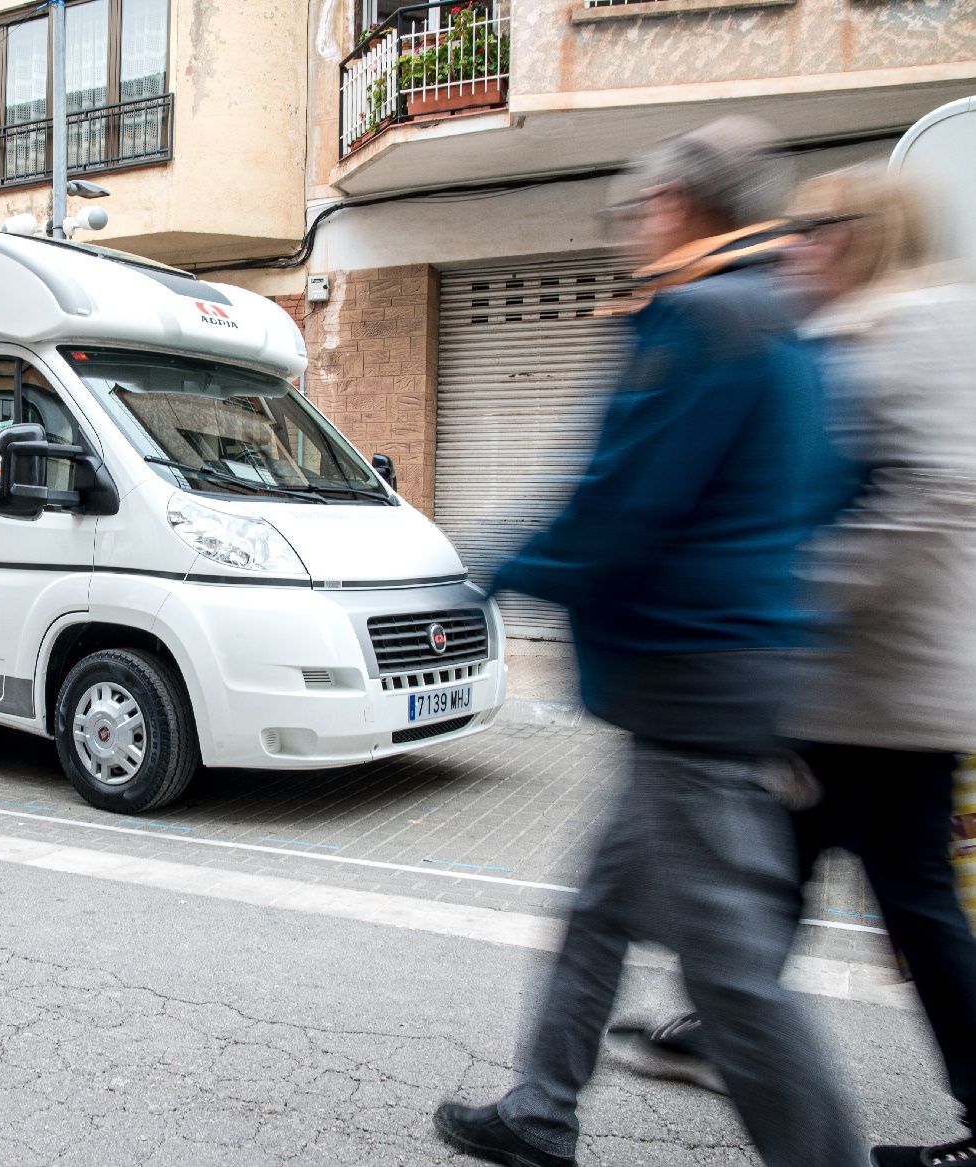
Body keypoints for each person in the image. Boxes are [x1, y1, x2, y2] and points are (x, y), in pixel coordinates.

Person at [431, 118, 865, 1167]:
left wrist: (491, 570)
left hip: (692, 681)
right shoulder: (788, 316)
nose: (629, 231)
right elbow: (830, 487)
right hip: (722, 671)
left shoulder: (700, 318)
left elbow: (618, 508)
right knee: (597, 909)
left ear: (673, 205)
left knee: (728, 975)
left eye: (636, 211)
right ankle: (538, 1112)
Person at [606, 166, 976, 1167]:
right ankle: (722, 1022)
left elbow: (936, 494)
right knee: (782, 867)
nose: (792, 246)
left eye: (811, 228)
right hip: (833, 686)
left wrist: (796, 585)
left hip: (890, 688)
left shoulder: (925, 320)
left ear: (865, 232)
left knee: (907, 900)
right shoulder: (842, 331)